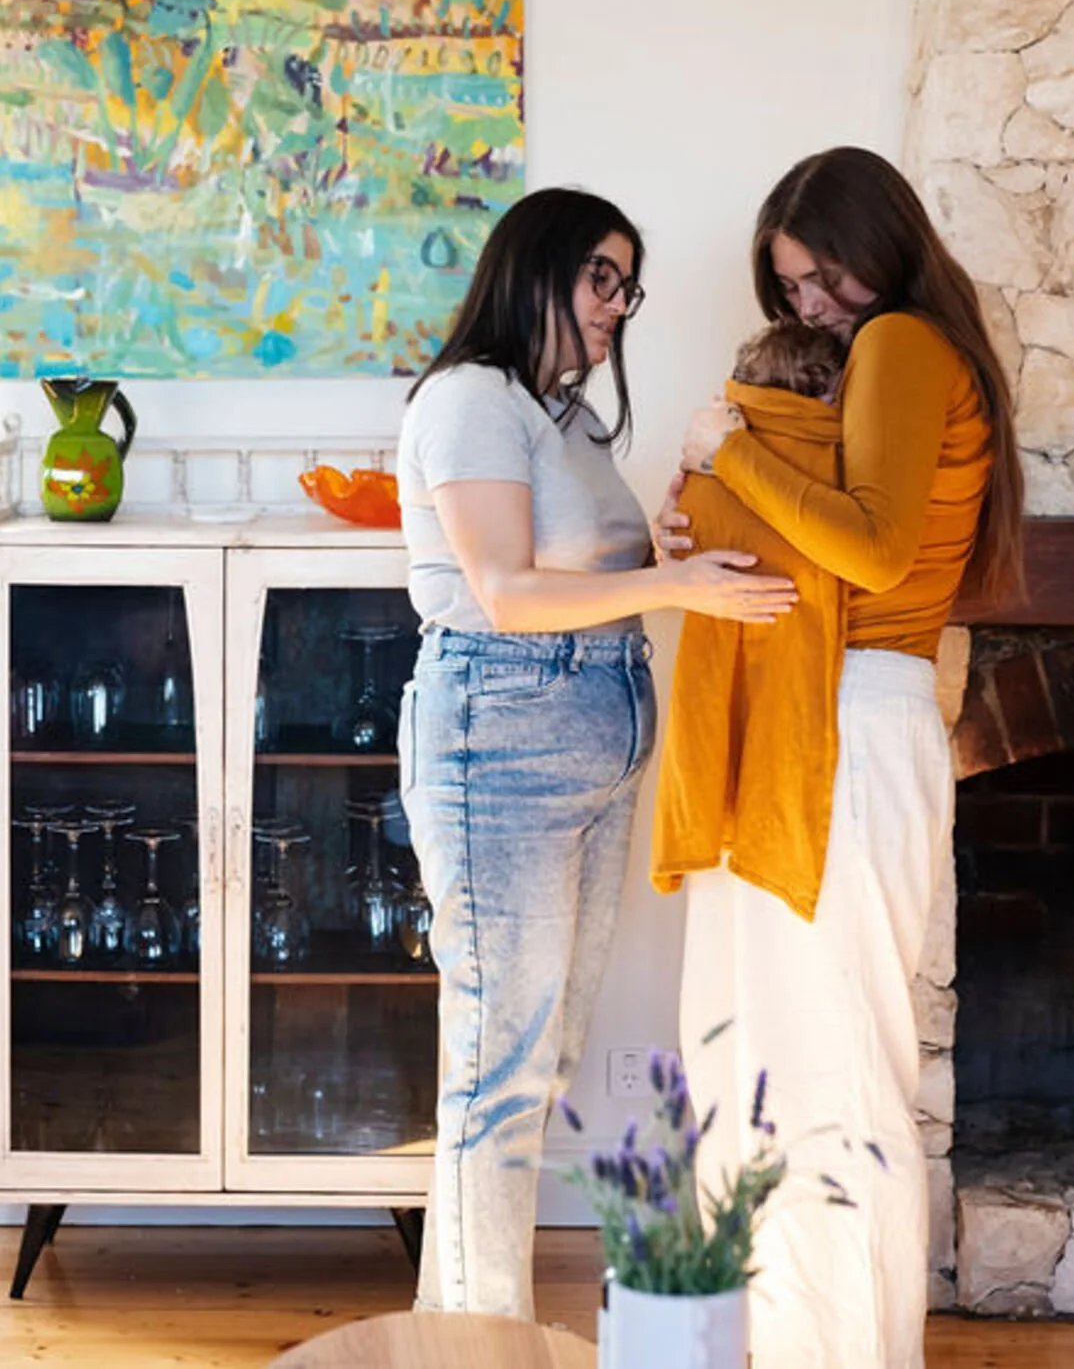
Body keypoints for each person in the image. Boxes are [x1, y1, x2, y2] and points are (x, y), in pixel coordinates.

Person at [395, 185, 799, 1320]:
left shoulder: (558, 412)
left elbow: (589, 562)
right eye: (601, 277)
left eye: (628, 284)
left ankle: (457, 1336)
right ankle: (486, 1343)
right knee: (498, 1069)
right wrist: (672, 584)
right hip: (502, 731)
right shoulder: (473, 400)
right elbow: (506, 589)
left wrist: (666, 535)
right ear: (537, 269)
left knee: (533, 1061)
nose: (620, 303)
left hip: (595, 729)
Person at [669, 146, 1024, 1369]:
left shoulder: (906, 345)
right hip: (827, 713)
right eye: (791, 288)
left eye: (824, 275)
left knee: (830, 1067)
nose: (811, 306)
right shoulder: (900, 350)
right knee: (774, 1055)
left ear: (883, 240)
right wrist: (707, 516)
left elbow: (871, 553)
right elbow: (839, 528)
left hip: (851, 724)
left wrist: (729, 454)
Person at [651, 319, 853, 919]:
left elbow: (677, 548)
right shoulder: (833, 472)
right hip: (817, 700)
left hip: (715, 693)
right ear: (828, 394)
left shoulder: (704, 474)